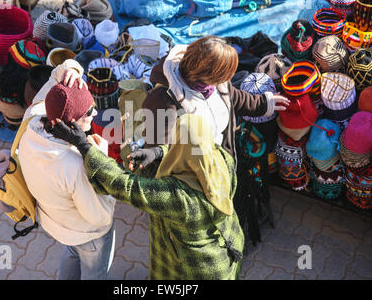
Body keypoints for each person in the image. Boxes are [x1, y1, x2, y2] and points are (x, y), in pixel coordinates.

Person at [46, 113, 245, 280]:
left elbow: (125, 185)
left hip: (194, 269)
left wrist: (83, 145)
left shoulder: (181, 199)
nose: (172, 143)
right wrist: (158, 152)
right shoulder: (220, 157)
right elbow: (189, 147)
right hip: (227, 247)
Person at [18, 59, 116, 280]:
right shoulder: (74, 165)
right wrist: (100, 159)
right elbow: (99, 217)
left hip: (55, 222)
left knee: (72, 251)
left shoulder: (33, 120)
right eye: (89, 111)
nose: (95, 113)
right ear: (72, 122)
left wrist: (71, 69)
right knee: (95, 273)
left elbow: (55, 78)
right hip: (86, 232)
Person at [143, 35, 290, 161]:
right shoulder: (164, 100)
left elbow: (236, 98)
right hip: (193, 175)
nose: (229, 77)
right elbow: (159, 147)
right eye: (226, 73)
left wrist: (265, 103)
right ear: (210, 74)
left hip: (218, 162)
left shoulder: (216, 85)